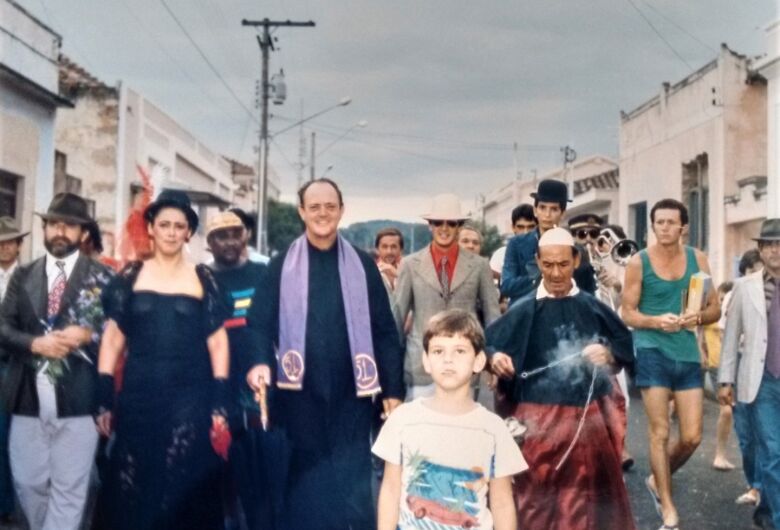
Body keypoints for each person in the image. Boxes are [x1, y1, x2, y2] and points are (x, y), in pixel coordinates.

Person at [248, 178, 404, 529]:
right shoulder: (282, 264)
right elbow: (257, 323)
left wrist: (393, 390)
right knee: (306, 491)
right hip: (299, 397)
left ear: (341, 211)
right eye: (314, 207)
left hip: (353, 398)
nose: (322, 213)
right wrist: (259, 363)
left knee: (352, 490)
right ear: (302, 211)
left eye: (330, 206)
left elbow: (384, 331)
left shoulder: (363, 266)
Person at [95, 190, 230, 530]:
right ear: (151, 228)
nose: (171, 232)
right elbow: (112, 340)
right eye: (164, 224)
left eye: (179, 226)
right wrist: (103, 397)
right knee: (132, 488)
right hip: (139, 399)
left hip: (190, 402)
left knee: (180, 488)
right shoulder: (130, 278)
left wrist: (219, 403)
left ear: (188, 233)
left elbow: (218, 345)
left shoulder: (204, 279)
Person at [487, 227, 636, 530]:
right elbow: (487, 343)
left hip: (585, 423)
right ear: (538, 262)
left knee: (587, 506)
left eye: (563, 264)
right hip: (535, 425)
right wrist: (494, 358)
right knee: (534, 504)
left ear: (576, 260)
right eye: (548, 265)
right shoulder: (522, 307)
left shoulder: (593, 307)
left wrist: (608, 354)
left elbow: (624, 346)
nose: (556, 273)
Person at [0, 193, 112, 530]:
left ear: (83, 234)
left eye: (69, 225)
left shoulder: (102, 277)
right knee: (28, 482)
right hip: (26, 397)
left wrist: (88, 333)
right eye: (53, 224)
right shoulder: (25, 275)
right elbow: (3, 328)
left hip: (79, 399)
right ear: (44, 228)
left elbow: (118, 333)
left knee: (70, 490)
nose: (60, 231)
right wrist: (35, 343)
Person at [373, 309, 526, 530]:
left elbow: (502, 502)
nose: (448, 360)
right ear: (426, 360)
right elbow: (390, 490)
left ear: (479, 360)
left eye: (460, 351)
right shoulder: (403, 420)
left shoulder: (493, 429)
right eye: (438, 351)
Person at [622, 198, 720, 530]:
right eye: (658, 222)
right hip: (651, 349)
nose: (664, 228)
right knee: (660, 431)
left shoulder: (698, 259)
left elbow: (714, 309)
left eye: (670, 222)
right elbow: (628, 313)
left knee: (692, 436)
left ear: (683, 227)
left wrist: (698, 316)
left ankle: (657, 479)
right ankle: (668, 506)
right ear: (653, 226)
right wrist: (654, 321)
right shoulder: (639, 262)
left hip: (686, 351)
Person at [205, 211, 276, 530]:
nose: (230, 241)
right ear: (210, 243)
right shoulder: (200, 277)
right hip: (216, 384)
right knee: (222, 469)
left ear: (246, 236)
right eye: (221, 236)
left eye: (236, 233)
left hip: (258, 385)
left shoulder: (264, 273)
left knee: (261, 470)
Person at [393, 193, 500, 399]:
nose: (444, 228)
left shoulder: (479, 266)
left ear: (459, 226)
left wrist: (491, 356)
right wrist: (391, 371)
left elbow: (492, 317)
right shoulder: (410, 265)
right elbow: (396, 320)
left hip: (465, 369)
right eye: (438, 222)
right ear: (429, 226)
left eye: (451, 223)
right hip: (421, 368)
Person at [720, 218, 780, 530]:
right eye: (768, 244)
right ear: (759, 249)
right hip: (763, 381)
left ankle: (768, 509)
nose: (774, 250)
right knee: (772, 450)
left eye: (779, 243)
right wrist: (725, 379)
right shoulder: (745, 287)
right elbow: (731, 336)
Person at [500, 179, 595, 305]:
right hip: (525, 314)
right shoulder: (517, 243)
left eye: (554, 209)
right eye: (542, 207)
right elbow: (507, 286)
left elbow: (586, 293)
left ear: (562, 214)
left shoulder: (574, 248)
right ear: (535, 210)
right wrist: (540, 278)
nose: (547, 214)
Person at [0, 216, 29, 523]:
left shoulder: (29, 277)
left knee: (14, 435)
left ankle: (13, 502)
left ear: (19, 245)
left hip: (18, 363)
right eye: (0, 242)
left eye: (10, 241)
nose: (5, 247)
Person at [731, 248, 764, 509]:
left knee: (770, 438)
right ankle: (754, 484)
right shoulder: (738, 293)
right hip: (745, 370)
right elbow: (728, 336)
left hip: (770, 372)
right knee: (746, 435)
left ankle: (763, 488)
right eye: (752, 270)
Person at [702, 282, 735, 471]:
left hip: (729, 366)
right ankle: (719, 455)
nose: (723, 303)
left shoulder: (732, 315)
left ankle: (720, 455)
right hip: (713, 366)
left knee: (729, 411)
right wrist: (701, 351)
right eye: (721, 299)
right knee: (727, 410)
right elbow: (698, 331)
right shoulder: (711, 314)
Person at [489, 203, 536, 281]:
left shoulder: (543, 252)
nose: (525, 232)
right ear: (513, 227)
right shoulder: (500, 255)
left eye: (531, 227)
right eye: (521, 227)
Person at [375, 227, 404, 292]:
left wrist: (398, 275)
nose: (389, 251)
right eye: (384, 247)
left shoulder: (408, 272)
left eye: (394, 247)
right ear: (377, 250)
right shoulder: (371, 273)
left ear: (401, 250)